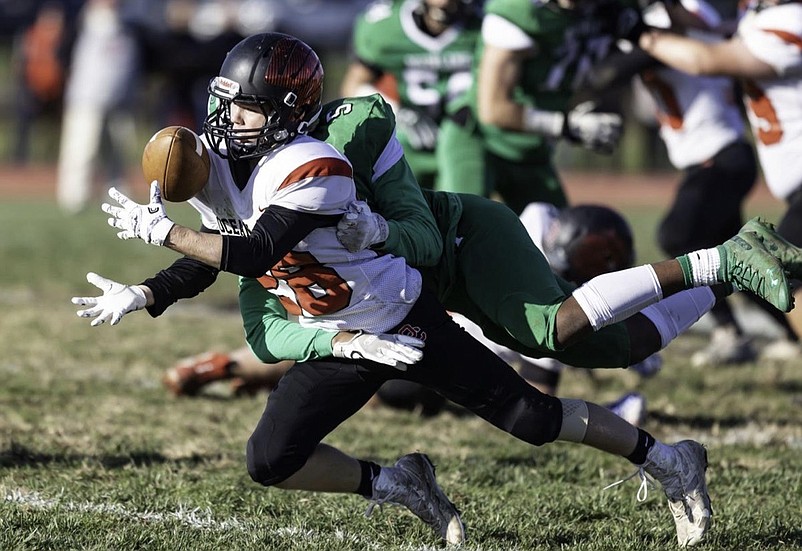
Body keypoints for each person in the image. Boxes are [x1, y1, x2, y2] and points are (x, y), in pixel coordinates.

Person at [70, 32, 740, 547]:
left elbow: (257, 249)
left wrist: (164, 234)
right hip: (342, 334)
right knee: (270, 459)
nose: (228, 118)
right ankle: (398, 482)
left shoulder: (311, 164)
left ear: (286, 113)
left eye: (245, 107)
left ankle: (669, 458)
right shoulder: (223, 164)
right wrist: (147, 292)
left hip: (399, 317)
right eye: (227, 101)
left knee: (531, 419)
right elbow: (216, 249)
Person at [636, 0, 802, 357]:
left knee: (780, 269)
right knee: (752, 263)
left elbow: (704, 59)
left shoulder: (789, 20)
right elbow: (712, 31)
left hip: (743, 159)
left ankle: (732, 332)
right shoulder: (760, 18)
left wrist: (639, 36)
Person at [447, 0, 641, 214]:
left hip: (533, 150)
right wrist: (568, 125)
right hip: (480, 138)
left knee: (560, 239)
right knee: (460, 229)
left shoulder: (607, 9)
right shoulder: (520, 10)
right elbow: (493, 109)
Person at [341, 0, 483, 191]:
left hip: (471, 134)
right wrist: (397, 112)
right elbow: (353, 85)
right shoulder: (385, 25)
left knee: (465, 207)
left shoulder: (490, 21)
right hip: (413, 136)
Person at [55, 0, 140, 214]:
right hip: (86, 101)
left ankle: (118, 198)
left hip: (120, 102)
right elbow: (62, 56)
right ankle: (74, 198)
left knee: (116, 154)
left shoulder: (129, 26)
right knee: (81, 151)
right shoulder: (81, 22)